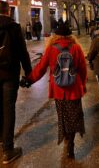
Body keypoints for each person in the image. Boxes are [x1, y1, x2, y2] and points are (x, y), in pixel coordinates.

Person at [23, 22, 87, 158]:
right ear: (70, 35)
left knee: (63, 117)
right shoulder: (76, 47)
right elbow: (83, 69)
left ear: (56, 35)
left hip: (58, 90)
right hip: (74, 89)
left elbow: (40, 68)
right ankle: (71, 144)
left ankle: (65, 139)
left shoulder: (51, 48)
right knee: (74, 117)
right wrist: (83, 85)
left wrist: (29, 80)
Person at [0, 1, 32, 165]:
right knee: (8, 109)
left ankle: (1, 142)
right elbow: (22, 52)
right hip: (10, 74)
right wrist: (28, 72)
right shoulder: (13, 27)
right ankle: (7, 149)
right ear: (8, 11)